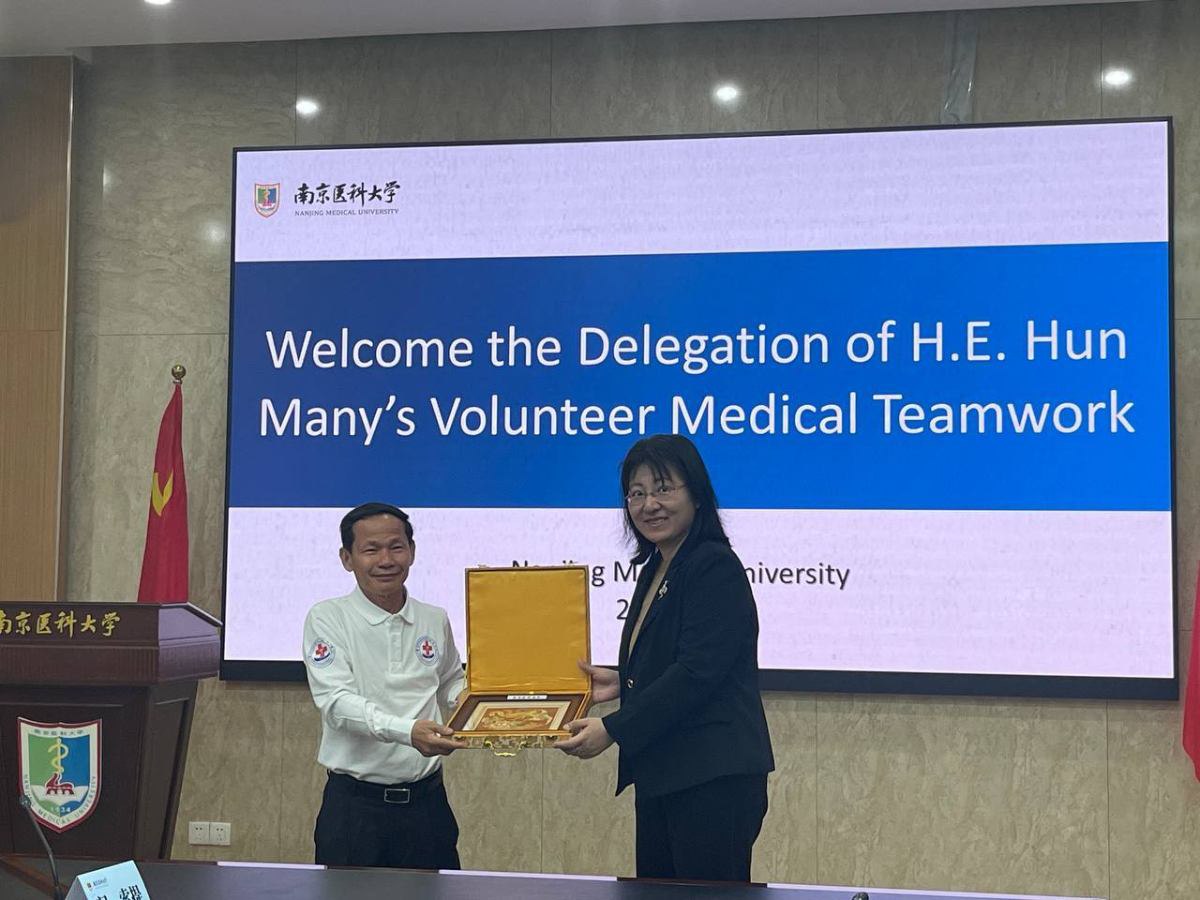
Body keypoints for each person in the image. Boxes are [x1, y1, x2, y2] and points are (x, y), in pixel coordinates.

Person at [556, 434, 775, 882]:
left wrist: (613, 728)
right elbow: (679, 654)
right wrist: (625, 678)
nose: (649, 505)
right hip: (666, 772)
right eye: (636, 494)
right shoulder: (659, 565)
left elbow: (698, 673)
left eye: (663, 489)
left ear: (696, 494)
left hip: (711, 779)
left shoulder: (713, 565)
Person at [302, 501, 465, 869]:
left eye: (396, 547)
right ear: (347, 558)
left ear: (412, 551)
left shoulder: (434, 618)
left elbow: (451, 681)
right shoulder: (327, 618)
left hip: (427, 806)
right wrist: (408, 732)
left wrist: (487, 706)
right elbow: (337, 704)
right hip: (355, 811)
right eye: (371, 549)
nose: (386, 560)